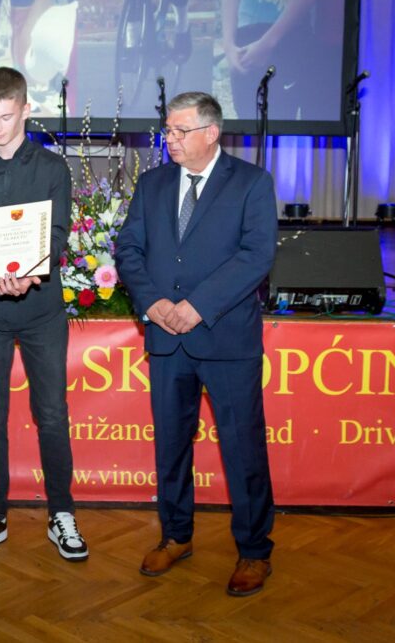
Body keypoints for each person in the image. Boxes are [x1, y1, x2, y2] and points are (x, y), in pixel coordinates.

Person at [114, 91, 278, 596]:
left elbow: (256, 256)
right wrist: (153, 303)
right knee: (170, 445)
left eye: (180, 130)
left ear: (211, 133)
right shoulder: (153, 184)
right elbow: (129, 249)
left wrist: (198, 306)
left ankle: (254, 550)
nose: (171, 139)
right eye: (168, 130)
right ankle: (176, 535)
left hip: (226, 339)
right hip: (166, 337)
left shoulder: (251, 183)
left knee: (242, 447)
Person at [0, 67, 87, 563]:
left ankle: (61, 512)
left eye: (6, 117)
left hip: (40, 311)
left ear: (27, 110)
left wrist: (30, 274)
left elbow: (57, 235)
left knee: (51, 413)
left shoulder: (52, 168)